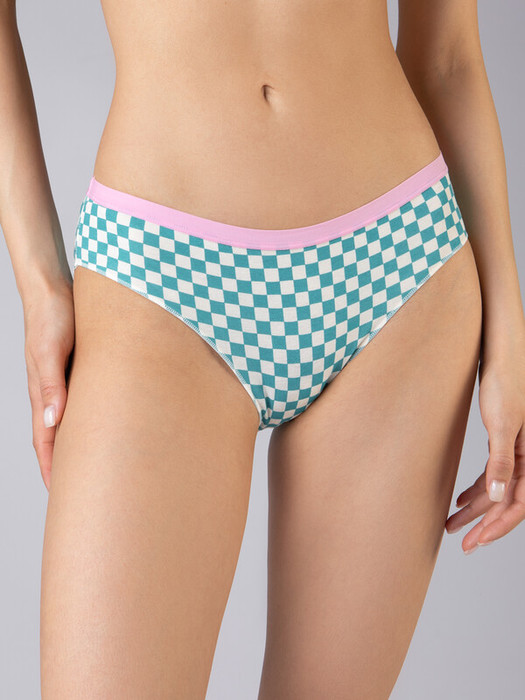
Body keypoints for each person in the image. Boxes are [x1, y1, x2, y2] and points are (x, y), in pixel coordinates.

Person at [1, 0, 524, 698]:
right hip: (161, 276)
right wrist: (39, 283)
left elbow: (448, 57)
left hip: (400, 268)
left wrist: (510, 340)